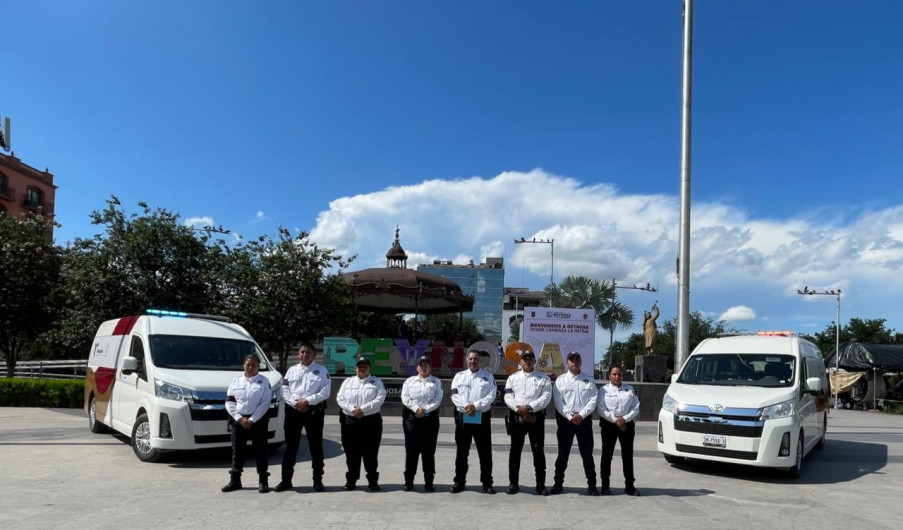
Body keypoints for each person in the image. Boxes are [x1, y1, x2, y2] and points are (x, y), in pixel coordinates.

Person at [274, 343, 331, 493]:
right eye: (302, 352)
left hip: (313, 412)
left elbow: (325, 392)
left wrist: (307, 401)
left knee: (316, 447)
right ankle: (286, 480)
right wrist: (295, 403)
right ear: (298, 354)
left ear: (314, 355)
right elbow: (284, 390)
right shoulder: (291, 371)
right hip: (293, 411)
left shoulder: (321, 371)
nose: (304, 355)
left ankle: (318, 480)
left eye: (308, 352)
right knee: (291, 448)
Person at [503, 349, 552, 495]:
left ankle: (540, 485)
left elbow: (546, 397)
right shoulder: (513, 378)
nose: (527, 361)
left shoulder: (544, 378)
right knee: (515, 451)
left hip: (535, 418)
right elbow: (508, 397)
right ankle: (513, 484)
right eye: (524, 358)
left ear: (535, 361)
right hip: (517, 418)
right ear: (520, 361)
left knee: (538, 451)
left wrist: (530, 408)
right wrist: (520, 411)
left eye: (530, 358)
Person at [450, 349, 498, 494]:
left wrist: (475, 406)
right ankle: (459, 482)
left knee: (485, 453)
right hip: (463, 418)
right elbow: (454, 395)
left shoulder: (488, 377)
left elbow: (492, 395)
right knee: (462, 452)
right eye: (470, 359)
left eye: (476, 359)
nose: (473, 361)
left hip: (482, 418)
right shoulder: (459, 376)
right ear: (467, 360)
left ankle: (487, 483)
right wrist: (467, 407)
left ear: (480, 361)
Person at [222, 355, 272, 493]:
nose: (250, 367)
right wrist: (239, 418)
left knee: (261, 451)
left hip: (258, 421)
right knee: (237, 451)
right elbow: (229, 401)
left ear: (258, 366)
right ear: (243, 365)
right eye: (248, 364)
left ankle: (263, 481)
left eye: (254, 365)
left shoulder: (264, 382)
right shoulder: (236, 381)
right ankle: (235, 481)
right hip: (239, 421)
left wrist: (252, 419)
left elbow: (265, 403)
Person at [551, 351, 599, 496]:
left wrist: (581, 415)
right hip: (566, 421)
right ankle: (558, 484)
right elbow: (558, 401)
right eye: (572, 359)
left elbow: (593, 400)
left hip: (584, 421)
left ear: (581, 362)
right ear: (567, 362)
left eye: (577, 359)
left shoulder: (589, 380)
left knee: (587, 455)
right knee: (562, 455)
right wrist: (569, 416)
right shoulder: (561, 380)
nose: (575, 361)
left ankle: (592, 485)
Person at [336, 356, 387, 491]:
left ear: (369, 368)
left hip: (371, 421)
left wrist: (362, 409)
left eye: (365, 366)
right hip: (350, 421)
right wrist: (353, 410)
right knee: (351, 453)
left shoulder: (376, 382)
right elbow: (340, 398)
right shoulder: (348, 382)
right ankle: (351, 480)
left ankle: (372, 481)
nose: (362, 368)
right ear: (355, 368)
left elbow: (380, 399)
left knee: (371, 453)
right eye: (359, 366)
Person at [400, 354, 444, 492]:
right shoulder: (409, 381)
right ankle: (409, 481)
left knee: (428, 452)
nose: (423, 367)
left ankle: (429, 482)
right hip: (412, 420)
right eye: (421, 365)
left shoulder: (436, 382)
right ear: (416, 367)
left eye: (426, 365)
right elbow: (405, 398)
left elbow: (437, 400)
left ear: (430, 367)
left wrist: (424, 410)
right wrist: (416, 409)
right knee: (411, 451)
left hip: (430, 420)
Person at [597, 365, 641, 496]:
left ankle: (629, 486)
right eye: (614, 374)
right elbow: (601, 409)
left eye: (619, 374)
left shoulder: (629, 389)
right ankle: (605, 485)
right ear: (609, 376)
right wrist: (616, 420)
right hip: (609, 425)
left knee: (627, 456)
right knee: (607, 455)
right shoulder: (603, 390)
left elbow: (635, 407)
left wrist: (624, 419)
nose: (617, 377)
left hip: (626, 425)